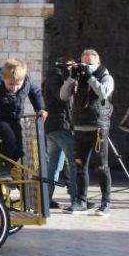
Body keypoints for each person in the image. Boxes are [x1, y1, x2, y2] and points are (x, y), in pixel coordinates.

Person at [60, 49, 114, 216]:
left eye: (89, 64)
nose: (86, 67)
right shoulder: (78, 78)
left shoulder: (105, 76)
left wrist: (90, 76)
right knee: (79, 166)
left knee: (101, 166)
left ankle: (106, 203)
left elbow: (103, 92)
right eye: (83, 63)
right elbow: (63, 96)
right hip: (80, 126)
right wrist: (71, 77)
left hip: (98, 127)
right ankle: (80, 201)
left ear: (97, 63)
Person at [0, 58, 48, 181]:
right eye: (11, 84)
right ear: (4, 79)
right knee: (10, 139)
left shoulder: (27, 82)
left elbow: (36, 93)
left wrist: (40, 109)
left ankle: (11, 170)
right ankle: (3, 167)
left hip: (14, 119)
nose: (14, 88)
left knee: (19, 149)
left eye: (18, 85)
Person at [43, 56, 77, 209]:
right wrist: (70, 79)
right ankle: (77, 199)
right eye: (71, 67)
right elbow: (63, 98)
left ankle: (47, 198)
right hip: (61, 126)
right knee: (74, 161)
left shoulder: (52, 77)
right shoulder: (56, 78)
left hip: (53, 127)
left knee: (54, 165)